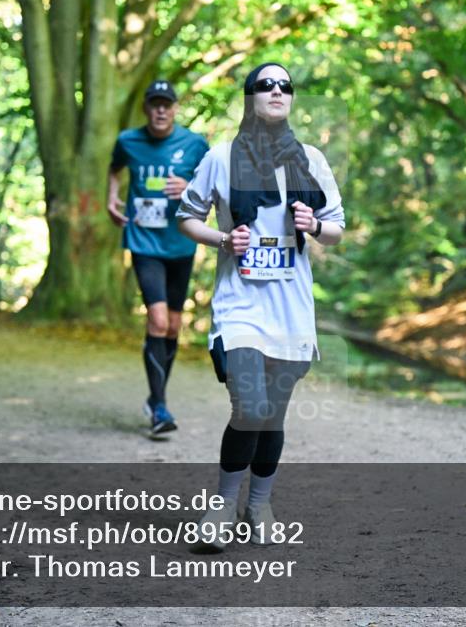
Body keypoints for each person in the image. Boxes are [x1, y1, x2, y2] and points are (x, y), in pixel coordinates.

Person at [176, 62, 345, 548]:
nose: (276, 91)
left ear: (291, 98)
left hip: (291, 308)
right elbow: (187, 217)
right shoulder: (221, 158)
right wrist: (223, 238)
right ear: (250, 97)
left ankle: (259, 505)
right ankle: (223, 507)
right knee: (250, 407)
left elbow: (336, 229)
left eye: (284, 85)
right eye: (265, 84)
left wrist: (314, 226)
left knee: (272, 415)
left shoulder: (311, 159)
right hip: (240, 305)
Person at [108, 80, 210, 437]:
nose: (161, 110)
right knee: (158, 318)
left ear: (176, 108)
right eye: (155, 104)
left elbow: (213, 188)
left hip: (181, 244)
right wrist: (111, 198)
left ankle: (155, 400)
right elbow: (114, 169)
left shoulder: (195, 144)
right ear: (146, 109)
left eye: (167, 104)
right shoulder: (128, 141)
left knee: (173, 326)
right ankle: (161, 406)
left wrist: (190, 189)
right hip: (144, 242)